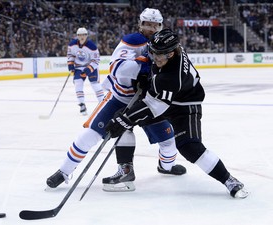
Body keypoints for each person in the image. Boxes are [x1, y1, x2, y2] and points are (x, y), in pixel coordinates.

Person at [46, 9, 186, 191]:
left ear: (160, 26)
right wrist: (142, 67)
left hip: (148, 102)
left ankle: (166, 167)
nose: (151, 28)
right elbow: (118, 69)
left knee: (168, 140)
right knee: (92, 134)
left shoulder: (168, 44)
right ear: (140, 24)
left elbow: (177, 72)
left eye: (155, 25)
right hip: (120, 98)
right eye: (147, 24)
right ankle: (64, 172)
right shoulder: (131, 41)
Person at [105, 28, 249, 198]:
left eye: (161, 55)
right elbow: (153, 67)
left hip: (184, 106)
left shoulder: (172, 77)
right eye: (154, 52)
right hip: (164, 97)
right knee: (122, 117)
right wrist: (148, 77)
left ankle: (229, 180)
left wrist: (125, 120)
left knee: (190, 148)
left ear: (172, 54)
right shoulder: (166, 50)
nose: (155, 57)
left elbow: (154, 107)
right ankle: (125, 171)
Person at [67, 27, 104, 115]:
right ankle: (82, 105)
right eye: (80, 35)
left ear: (87, 35)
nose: (82, 37)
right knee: (78, 83)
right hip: (79, 67)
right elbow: (70, 55)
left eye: (84, 35)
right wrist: (71, 64)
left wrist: (88, 70)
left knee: (95, 85)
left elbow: (96, 60)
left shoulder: (92, 46)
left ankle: (103, 104)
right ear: (77, 36)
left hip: (91, 67)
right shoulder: (72, 45)